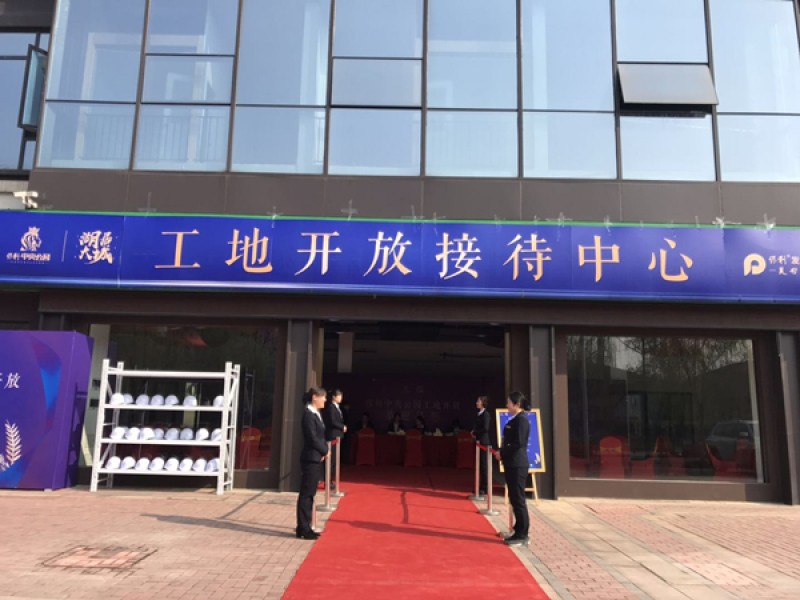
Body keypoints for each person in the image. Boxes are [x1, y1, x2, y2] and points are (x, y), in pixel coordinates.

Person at [296, 386, 328, 540]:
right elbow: (312, 437)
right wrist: (325, 450)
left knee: (310, 493)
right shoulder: (308, 415)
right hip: (310, 458)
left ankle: (305, 525)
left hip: (316, 457)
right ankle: (303, 527)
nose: (325, 400)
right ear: (314, 397)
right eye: (323, 397)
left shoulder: (316, 414)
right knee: (307, 494)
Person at [500, 391, 530, 546]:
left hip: (518, 464)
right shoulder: (515, 419)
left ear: (517, 404)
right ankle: (517, 529)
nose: (507, 405)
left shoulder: (522, 420)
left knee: (518, 499)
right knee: (514, 497)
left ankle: (522, 534)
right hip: (511, 463)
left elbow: (518, 443)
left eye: (509, 403)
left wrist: (502, 452)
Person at [324, 389, 346, 484]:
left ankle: (331, 480)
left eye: (341, 396)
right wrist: (342, 426)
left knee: (335, 459)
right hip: (332, 436)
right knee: (331, 459)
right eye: (339, 396)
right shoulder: (331, 407)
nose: (341, 398)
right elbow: (332, 421)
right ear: (333, 397)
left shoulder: (337, 407)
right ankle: (328, 480)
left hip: (338, 435)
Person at [472, 396, 491, 496]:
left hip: (484, 442)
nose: (477, 403)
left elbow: (485, 428)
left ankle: (485, 487)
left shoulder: (486, 414)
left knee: (484, 465)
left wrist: (476, 432)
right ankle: (478, 486)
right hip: (478, 441)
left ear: (483, 403)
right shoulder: (479, 414)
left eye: (478, 401)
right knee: (479, 465)